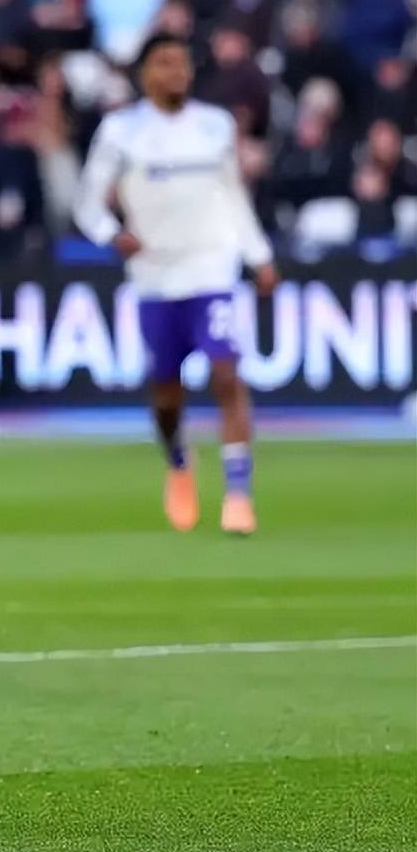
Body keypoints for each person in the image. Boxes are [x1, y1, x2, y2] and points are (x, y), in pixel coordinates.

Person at [74, 34, 278, 537]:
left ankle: (238, 495)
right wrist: (111, 234)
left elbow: (233, 196)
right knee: (167, 394)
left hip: (212, 268)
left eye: (182, 63)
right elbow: (87, 202)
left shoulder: (216, 125)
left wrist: (259, 256)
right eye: (165, 63)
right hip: (156, 276)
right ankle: (179, 461)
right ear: (145, 73)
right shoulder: (122, 131)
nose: (176, 73)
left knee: (227, 374)